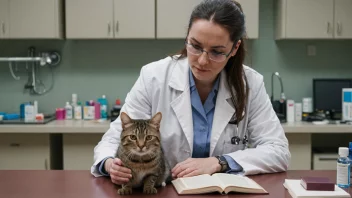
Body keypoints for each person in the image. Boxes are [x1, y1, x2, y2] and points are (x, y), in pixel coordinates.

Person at [91, 0, 291, 185]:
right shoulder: (154, 76)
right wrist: (110, 164)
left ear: (234, 48)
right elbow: (113, 138)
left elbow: (278, 151)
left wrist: (220, 162)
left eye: (217, 52)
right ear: (187, 36)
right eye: (195, 46)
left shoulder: (250, 84)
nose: (202, 61)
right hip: (166, 190)